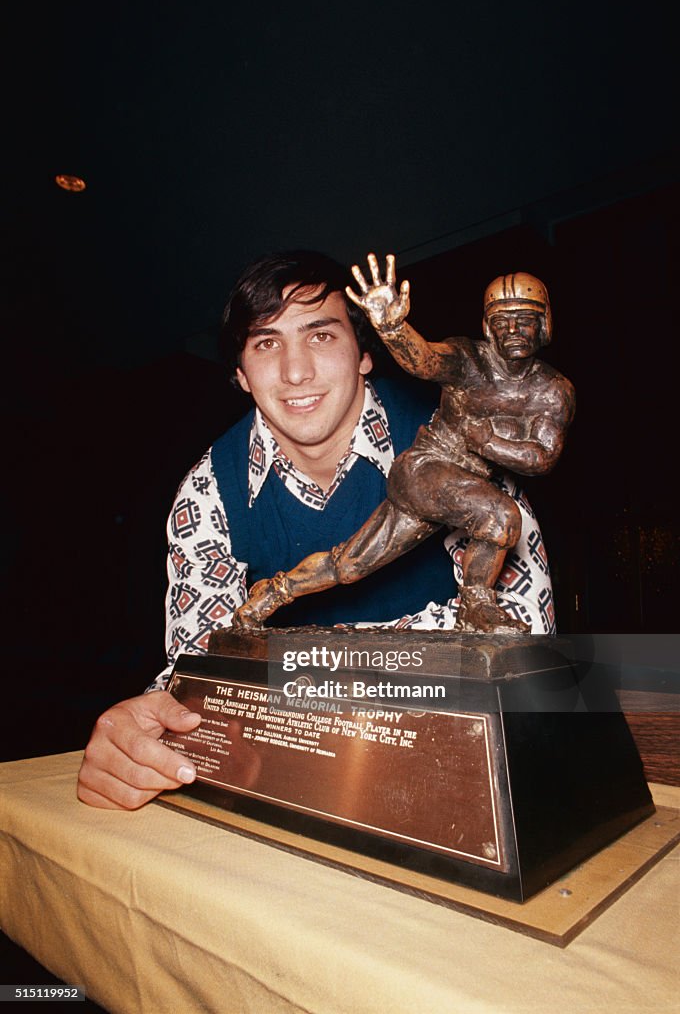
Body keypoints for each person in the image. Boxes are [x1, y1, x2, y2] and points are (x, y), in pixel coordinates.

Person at [77, 251, 554, 810]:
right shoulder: (209, 490)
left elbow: (524, 655)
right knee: (349, 564)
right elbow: (198, 675)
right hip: (290, 788)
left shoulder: (457, 448)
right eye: (266, 342)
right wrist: (145, 729)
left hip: (437, 785)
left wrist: (290, 677)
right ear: (239, 372)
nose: (295, 371)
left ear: (364, 355)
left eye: (321, 335)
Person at [233, 255, 574, 634]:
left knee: (349, 565)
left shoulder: (552, 391)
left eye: (524, 320)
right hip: (425, 469)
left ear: (544, 325)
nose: (513, 330)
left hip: (453, 488)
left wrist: (488, 441)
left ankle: (273, 592)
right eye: (502, 321)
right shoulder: (469, 360)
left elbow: (542, 457)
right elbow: (425, 361)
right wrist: (393, 328)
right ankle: (476, 606)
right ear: (487, 327)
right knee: (499, 516)